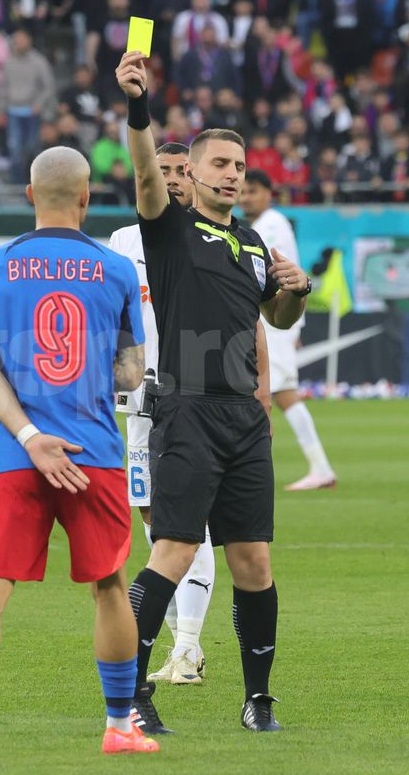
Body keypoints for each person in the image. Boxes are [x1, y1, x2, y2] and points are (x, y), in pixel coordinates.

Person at [116, 51, 311, 734]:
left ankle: (258, 700)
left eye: (241, 167)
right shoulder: (166, 226)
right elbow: (144, 167)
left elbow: (277, 318)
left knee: (254, 561)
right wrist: (139, 105)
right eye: (222, 165)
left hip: (242, 415)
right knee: (170, 551)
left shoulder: (253, 244)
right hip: (187, 411)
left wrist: (296, 290)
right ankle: (133, 696)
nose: (234, 175)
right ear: (191, 173)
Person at [0, 146, 159, 765]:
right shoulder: (116, 271)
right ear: (87, 198)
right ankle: (120, 724)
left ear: (28, 196)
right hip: (91, 453)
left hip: (12, 457)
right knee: (111, 587)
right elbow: (131, 373)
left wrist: (28, 436)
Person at [108, 143, 273, 686]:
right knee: (158, 525)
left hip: (194, 400)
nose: (176, 179)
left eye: (183, 170)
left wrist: (262, 390)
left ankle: (188, 647)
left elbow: (253, 320)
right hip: (142, 406)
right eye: (169, 170)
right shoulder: (130, 240)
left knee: (184, 533)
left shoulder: (219, 240)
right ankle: (167, 655)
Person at [239, 169, 338, 490]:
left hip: (274, 319)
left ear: (270, 193)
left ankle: (319, 467)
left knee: (280, 393)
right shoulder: (266, 224)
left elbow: (266, 274)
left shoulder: (270, 225)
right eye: (244, 192)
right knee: (277, 392)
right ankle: (317, 466)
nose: (246, 197)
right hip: (275, 318)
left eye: (253, 191)